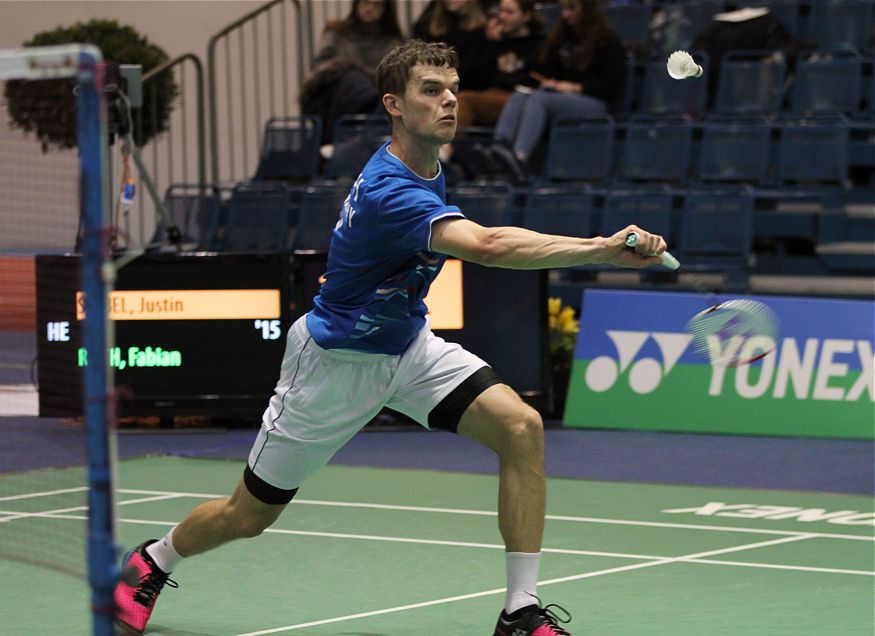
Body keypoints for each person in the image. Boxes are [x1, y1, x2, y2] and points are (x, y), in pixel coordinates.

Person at [114, 39, 668, 636]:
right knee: (245, 516)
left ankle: (520, 612)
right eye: (431, 91)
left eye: (452, 88)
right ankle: (153, 559)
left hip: (407, 347)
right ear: (394, 105)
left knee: (520, 427)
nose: (449, 100)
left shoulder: (427, 164)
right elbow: (487, 246)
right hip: (333, 364)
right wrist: (599, 248)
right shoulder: (390, 190)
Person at [494, 0, 627, 163]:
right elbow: (543, 69)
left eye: (571, 9)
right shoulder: (561, 36)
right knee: (521, 95)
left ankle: (519, 157)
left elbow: (612, 87)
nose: (565, 14)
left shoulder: (606, 39)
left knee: (538, 99)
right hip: (559, 96)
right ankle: (498, 150)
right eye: (563, 9)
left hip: (595, 100)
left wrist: (575, 87)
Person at [300, 0, 404, 146]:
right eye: (365, 2)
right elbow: (321, 67)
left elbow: (395, 75)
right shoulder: (336, 33)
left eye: (376, 5)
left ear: (385, 9)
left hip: (375, 96)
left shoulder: (392, 42)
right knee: (353, 80)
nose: (369, 8)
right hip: (336, 93)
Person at [456, 0, 546, 128]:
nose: (502, 16)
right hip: (488, 94)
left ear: (526, 16)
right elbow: (469, 78)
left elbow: (531, 79)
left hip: (519, 98)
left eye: (509, 12)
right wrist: (490, 44)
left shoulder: (538, 45)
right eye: (501, 11)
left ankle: (447, 147)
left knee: (464, 100)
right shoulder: (493, 42)